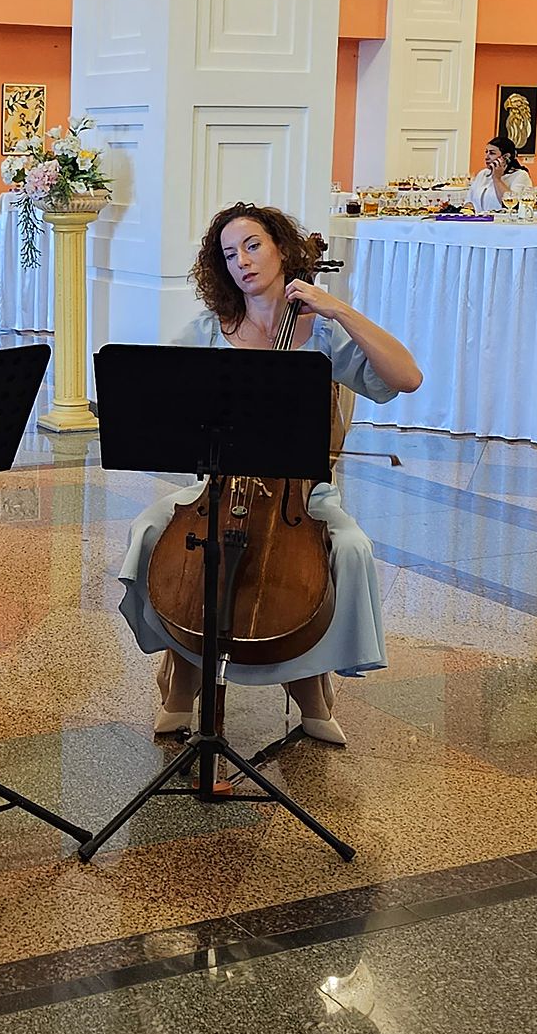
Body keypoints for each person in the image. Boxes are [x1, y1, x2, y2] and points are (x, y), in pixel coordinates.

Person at [115, 204, 423, 746]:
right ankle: (182, 676)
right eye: (229, 254)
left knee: (351, 550)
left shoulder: (321, 334)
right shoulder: (212, 330)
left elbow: (407, 376)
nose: (242, 262)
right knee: (149, 531)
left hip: (304, 495)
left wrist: (338, 310)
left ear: (283, 248)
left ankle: (312, 681)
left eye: (253, 245)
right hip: (216, 486)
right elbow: (158, 398)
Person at [468, 135, 532, 214]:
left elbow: (513, 205)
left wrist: (497, 178)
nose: (486, 157)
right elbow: (469, 201)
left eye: (492, 153)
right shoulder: (483, 174)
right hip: (479, 221)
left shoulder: (520, 175)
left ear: (506, 157)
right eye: (486, 152)